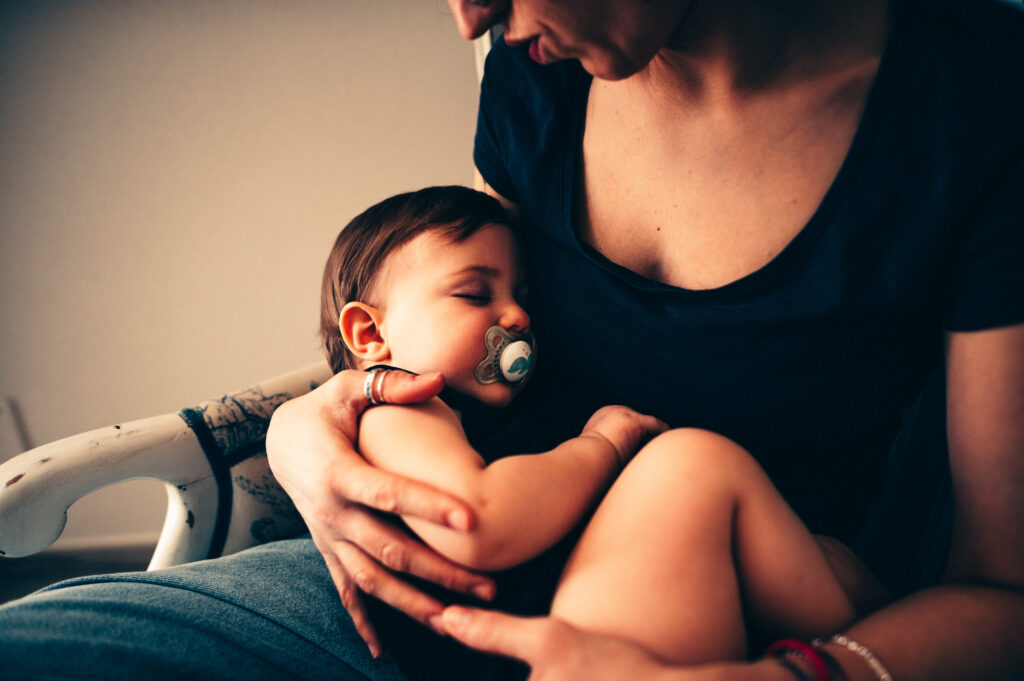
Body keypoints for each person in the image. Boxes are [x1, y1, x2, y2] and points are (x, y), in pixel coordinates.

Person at [0, 0, 1020, 680]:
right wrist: (307, 421)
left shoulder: (975, 105)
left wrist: (802, 672)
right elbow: (445, 324)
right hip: (410, 599)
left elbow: (999, 592)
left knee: (684, 470)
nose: (470, 17)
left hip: (674, 616)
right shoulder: (538, 63)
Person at [316, 184, 884, 679]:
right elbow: (476, 521)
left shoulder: (494, 411)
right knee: (691, 464)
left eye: (524, 298)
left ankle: (864, 633)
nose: (517, 318)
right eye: (475, 294)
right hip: (527, 657)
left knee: (827, 556)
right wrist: (603, 447)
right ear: (369, 333)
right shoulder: (398, 411)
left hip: (573, 624)